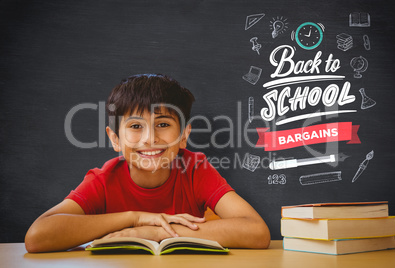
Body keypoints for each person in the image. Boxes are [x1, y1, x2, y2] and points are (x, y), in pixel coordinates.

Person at [25, 74, 270, 253]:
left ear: (183, 136)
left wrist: (157, 232)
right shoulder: (104, 179)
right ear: (115, 139)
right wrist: (135, 219)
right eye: (134, 126)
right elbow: (37, 237)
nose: (150, 138)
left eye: (163, 124)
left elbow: (256, 232)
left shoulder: (195, 168)